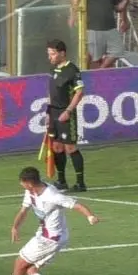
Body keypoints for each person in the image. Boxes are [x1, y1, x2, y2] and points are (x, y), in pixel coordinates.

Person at [0, 167, 99, 275]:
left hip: (50, 238)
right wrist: (15, 227)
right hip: (47, 235)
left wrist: (90, 216)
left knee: (20, 263)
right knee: (31, 268)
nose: (21, 185)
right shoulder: (30, 192)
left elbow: (77, 205)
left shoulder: (52, 195)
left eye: (22, 182)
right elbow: (23, 210)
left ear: (29, 183)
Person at [44, 39, 88, 191]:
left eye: (52, 54)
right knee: (56, 147)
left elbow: (79, 92)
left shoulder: (72, 70)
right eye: (49, 54)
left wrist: (68, 111)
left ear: (62, 53)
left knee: (70, 147)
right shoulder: (53, 70)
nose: (50, 57)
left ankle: (80, 183)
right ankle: (61, 181)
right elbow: (50, 93)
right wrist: (48, 112)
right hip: (54, 112)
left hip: (66, 112)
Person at [80, 0, 131, 69]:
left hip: (110, 27)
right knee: (94, 57)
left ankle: (100, 71)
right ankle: (93, 75)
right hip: (93, 28)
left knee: (118, 50)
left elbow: (118, 8)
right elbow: (74, 4)